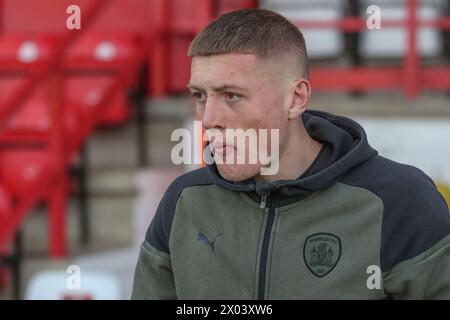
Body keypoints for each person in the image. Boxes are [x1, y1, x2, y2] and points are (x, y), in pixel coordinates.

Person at [131, 9, 450, 299]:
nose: (209, 118)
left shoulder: (400, 200)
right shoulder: (184, 202)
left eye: (232, 95)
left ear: (296, 99)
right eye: (200, 95)